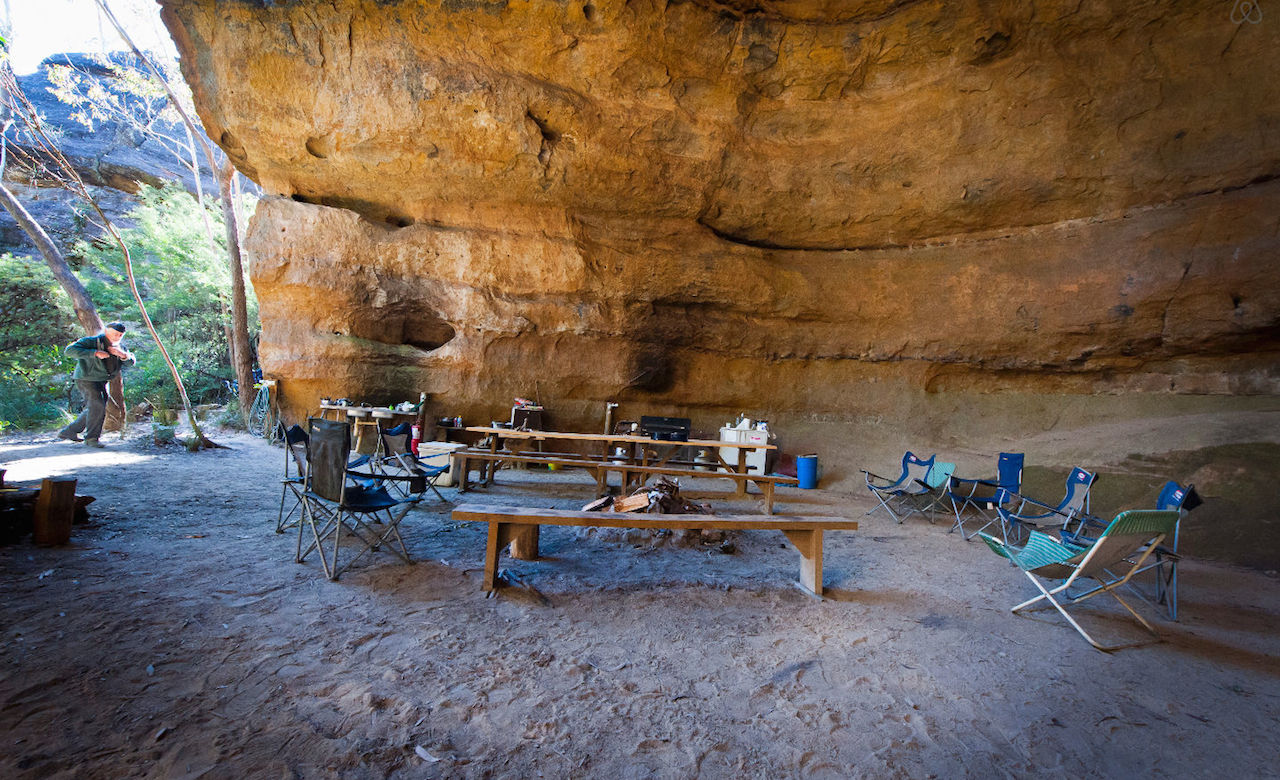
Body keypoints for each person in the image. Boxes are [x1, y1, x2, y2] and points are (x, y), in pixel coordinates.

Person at [58, 321, 136, 449]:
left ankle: (69, 431)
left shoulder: (120, 347)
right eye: (115, 334)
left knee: (95, 407)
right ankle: (91, 438)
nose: (117, 337)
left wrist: (123, 355)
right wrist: (94, 353)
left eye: (120, 335)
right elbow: (69, 350)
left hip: (101, 380)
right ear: (106, 331)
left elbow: (131, 362)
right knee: (97, 405)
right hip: (86, 378)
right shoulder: (91, 341)